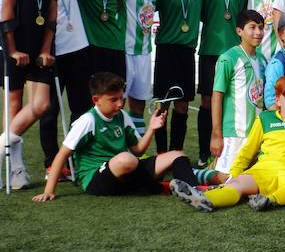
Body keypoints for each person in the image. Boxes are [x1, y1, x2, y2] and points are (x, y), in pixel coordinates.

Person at [171, 76, 285, 212]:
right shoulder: (265, 118)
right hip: (263, 172)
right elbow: (248, 151)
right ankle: (205, 199)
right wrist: (233, 175)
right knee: (237, 184)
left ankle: (271, 200)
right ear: (278, 100)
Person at [33, 72, 198, 201]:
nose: (119, 104)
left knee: (177, 155)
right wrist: (48, 191)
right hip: (95, 180)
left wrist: (151, 129)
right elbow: (62, 154)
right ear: (96, 100)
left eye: (121, 98)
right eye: (113, 100)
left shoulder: (122, 116)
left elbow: (138, 151)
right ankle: (158, 187)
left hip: (126, 170)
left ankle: (194, 191)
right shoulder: (88, 120)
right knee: (126, 159)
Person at [1, 0, 64, 189]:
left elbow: (52, 13)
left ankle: (1, 143)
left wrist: (46, 50)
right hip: (14, 46)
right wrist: (13, 49)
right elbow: (6, 10)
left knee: (40, 106)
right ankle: (16, 170)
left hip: (41, 50)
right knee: (14, 107)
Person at [38, 0, 92, 178]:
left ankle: (76, 159)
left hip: (80, 50)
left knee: (81, 109)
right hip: (54, 53)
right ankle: (52, 163)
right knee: (49, 110)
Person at [197, 0, 248, 166]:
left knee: (233, 99)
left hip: (236, 51)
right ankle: (204, 151)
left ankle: (232, 148)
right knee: (208, 101)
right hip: (210, 50)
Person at [153, 0, 203, 154]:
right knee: (163, 104)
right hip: (166, 51)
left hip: (187, 53)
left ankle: (175, 153)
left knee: (182, 106)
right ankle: (162, 153)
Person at [210, 9, 266, 174]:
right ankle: (196, 175)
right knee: (228, 179)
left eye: (261, 27)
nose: (258, 32)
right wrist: (216, 134)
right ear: (239, 31)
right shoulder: (229, 58)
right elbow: (216, 97)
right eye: (252, 27)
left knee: (254, 178)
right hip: (235, 133)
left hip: (257, 134)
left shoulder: (262, 59)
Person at [120, 0, 162, 138]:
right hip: (125, 51)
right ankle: (118, 145)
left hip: (145, 52)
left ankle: (138, 145)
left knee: (139, 102)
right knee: (118, 101)